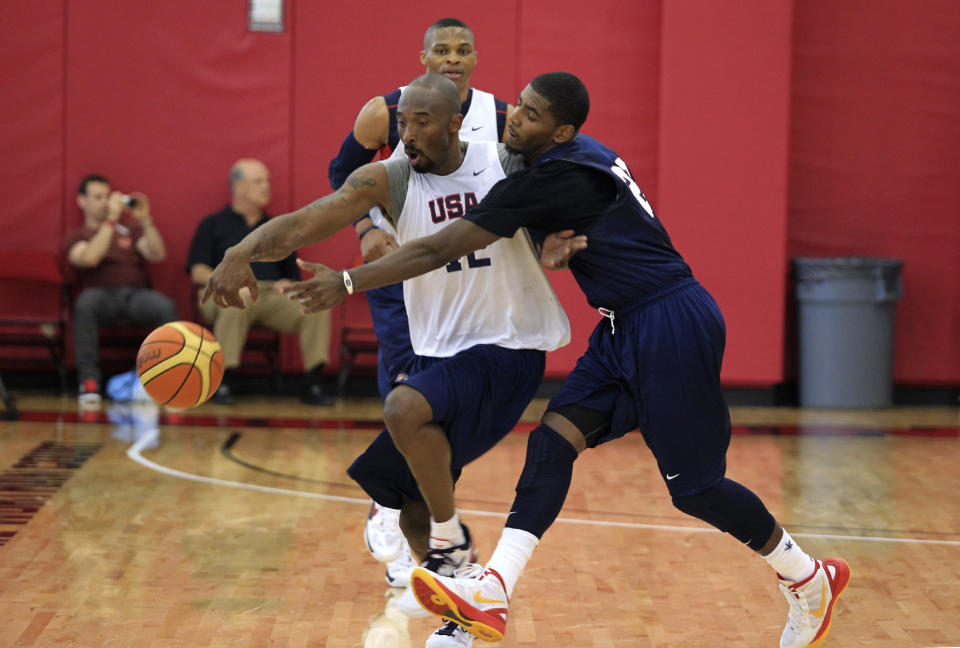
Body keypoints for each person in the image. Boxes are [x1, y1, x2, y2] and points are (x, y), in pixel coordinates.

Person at [281, 72, 852, 648]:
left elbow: (437, 247)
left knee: (696, 488)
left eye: (529, 115)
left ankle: (808, 578)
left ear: (562, 131)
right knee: (552, 442)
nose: (513, 119)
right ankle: (493, 591)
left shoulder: (555, 174)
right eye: (517, 107)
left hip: (670, 320)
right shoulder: (571, 160)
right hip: (620, 325)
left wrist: (349, 280)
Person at [201, 74, 574, 644]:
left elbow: (570, 185)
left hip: (508, 345)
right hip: (441, 353)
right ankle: (463, 614)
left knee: (402, 408)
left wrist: (558, 240)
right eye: (402, 123)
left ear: (454, 123)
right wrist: (240, 250)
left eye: (421, 123)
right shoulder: (392, 176)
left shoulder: (503, 163)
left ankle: (451, 552)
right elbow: (306, 221)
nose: (408, 135)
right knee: (404, 503)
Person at [328, 17, 515, 601]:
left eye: (462, 50)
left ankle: (423, 514)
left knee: (446, 404)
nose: (452, 58)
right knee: (408, 381)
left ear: (476, 58)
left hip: (469, 282)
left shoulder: (503, 118)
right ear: (424, 55)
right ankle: (395, 508)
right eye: (442, 49)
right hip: (401, 272)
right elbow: (343, 176)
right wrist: (367, 227)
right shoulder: (383, 112)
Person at [186, 158, 333, 405]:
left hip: (269, 296)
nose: (266, 187)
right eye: (258, 181)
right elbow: (197, 270)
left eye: (267, 181)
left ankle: (314, 383)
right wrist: (227, 280)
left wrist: (286, 283)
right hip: (223, 292)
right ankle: (223, 382)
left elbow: (291, 275)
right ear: (239, 187)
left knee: (316, 305)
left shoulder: (276, 228)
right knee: (237, 301)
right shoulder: (213, 225)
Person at [65, 174, 179, 407]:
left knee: (165, 307)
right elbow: (90, 258)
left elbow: (157, 254)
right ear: (82, 201)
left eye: (107, 196)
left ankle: (163, 378)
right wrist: (110, 222)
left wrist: (145, 220)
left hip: (135, 295)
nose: (105, 202)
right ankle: (89, 381)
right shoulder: (77, 236)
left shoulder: (129, 229)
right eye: (98, 197)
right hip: (101, 296)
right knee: (84, 305)